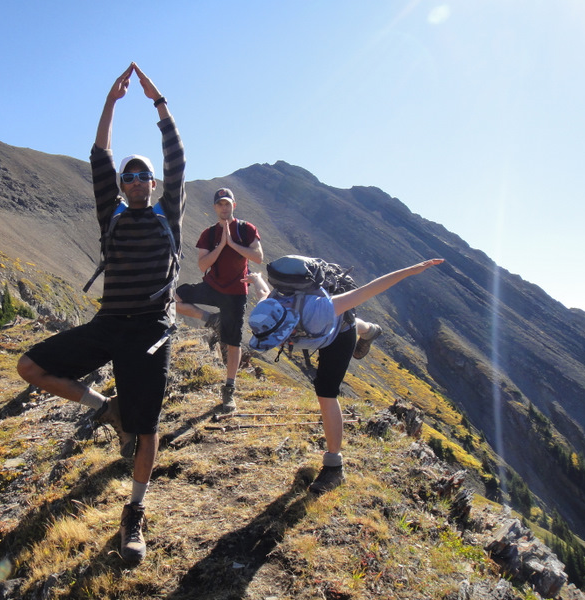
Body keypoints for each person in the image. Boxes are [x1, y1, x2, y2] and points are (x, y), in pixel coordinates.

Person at [16, 62, 184, 564]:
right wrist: (110, 103)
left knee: (148, 429)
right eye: (128, 176)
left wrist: (160, 104)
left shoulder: (167, 212)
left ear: (153, 184)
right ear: (122, 184)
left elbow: (176, 155)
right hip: (109, 323)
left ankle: (133, 514)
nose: (135, 181)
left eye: (142, 176)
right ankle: (104, 409)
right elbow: (98, 156)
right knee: (30, 367)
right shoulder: (109, 213)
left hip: (152, 329)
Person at [246, 258, 444, 494]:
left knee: (326, 393)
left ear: (287, 328)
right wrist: (257, 277)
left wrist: (412, 269)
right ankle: (369, 329)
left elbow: (369, 289)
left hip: (338, 334)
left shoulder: (317, 310)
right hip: (321, 324)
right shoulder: (269, 306)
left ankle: (334, 468)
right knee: (340, 313)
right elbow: (263, 291)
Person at [175, 187, 263, 411]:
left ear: (234, 205)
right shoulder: (209, 233)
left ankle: (229, 389)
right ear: (215, 207)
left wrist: (233, 244)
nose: (224, 208)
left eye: (227, 203)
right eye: (220, 204)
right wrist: (221, 245)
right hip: (212, 287)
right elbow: (203, 265)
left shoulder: (246, 229)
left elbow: (258, 257)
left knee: (233, 342)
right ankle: (212, 319)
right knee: (173, 297)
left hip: (236, 293)